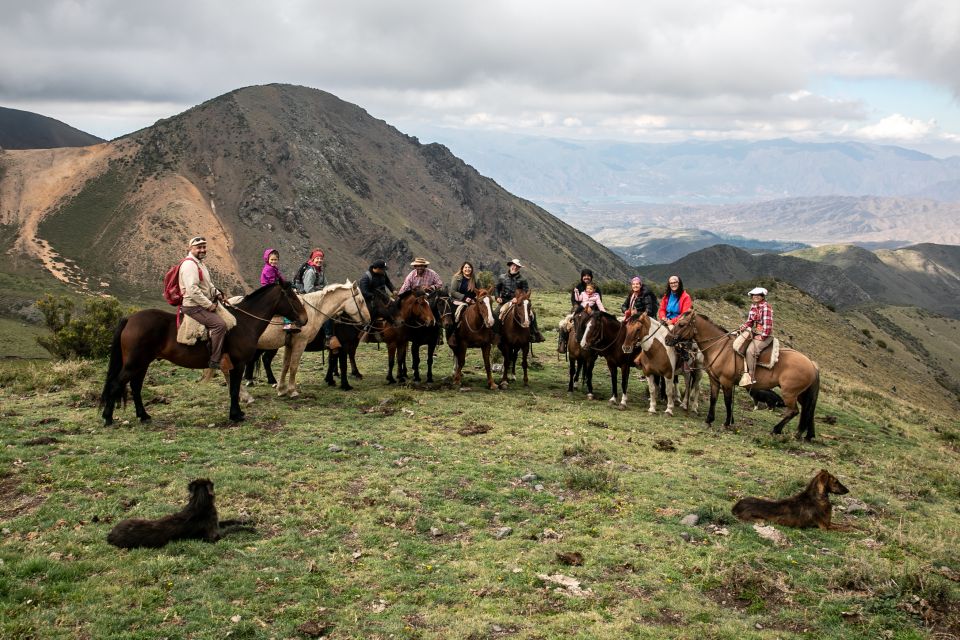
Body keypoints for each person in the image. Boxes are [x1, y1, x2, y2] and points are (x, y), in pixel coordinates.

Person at [179, 236, 227, 370]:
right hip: (193, 306)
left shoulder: (199, 263)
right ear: (190, 249)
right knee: (219, 325)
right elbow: (193, 290)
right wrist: (209, 305)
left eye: (204, 247)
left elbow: (207, 284)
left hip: (201, 302)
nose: (202, 250)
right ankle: (214, 360)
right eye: (198, 247)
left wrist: (216, 292)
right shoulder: (189, 265)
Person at [495, 258, 544, 343]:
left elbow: (525, 292)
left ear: (519, 268)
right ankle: (495, 335)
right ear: (510, 266)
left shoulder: (523, 279)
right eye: (514, 266)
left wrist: (517, 298)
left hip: (519, 302)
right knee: (495, 313)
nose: (515, 268)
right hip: (505, 301)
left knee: (532, 314)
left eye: (517, 266)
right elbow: (497, 288)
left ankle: (534, 333)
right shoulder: (502, 277)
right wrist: (497, 297)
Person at [737, 287, 774, 387]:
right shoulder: (753, 307)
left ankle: (751, 376)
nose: (755, 297)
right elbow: (750, 322)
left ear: (762, 296)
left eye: (758, 295)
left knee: (750, 351)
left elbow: (768, 325)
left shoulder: (766, 307)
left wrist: (762, 336)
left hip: (765, 335)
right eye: (754, 295)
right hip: (755, 333)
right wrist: (743, 327)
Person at [260, 248, 299, 332]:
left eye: (276, 259)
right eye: (272, 259)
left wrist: (288, 284)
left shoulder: (273, 268)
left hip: (272, 289)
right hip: (268, 290)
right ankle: (287, 325)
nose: (274, 261)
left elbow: (280, 278)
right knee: (286, 303)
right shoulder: (269, 269)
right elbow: (271, 283)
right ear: (267, 259)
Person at [447, 261, 478, 347]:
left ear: (471, 269)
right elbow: (452, 291)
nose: (467, 269)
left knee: (485, 311)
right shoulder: (457, 278)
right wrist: (464, 298)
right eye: (466, 267)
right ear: (462, 269)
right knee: (454, 315)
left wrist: (475, 299)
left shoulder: (475, 279)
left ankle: (490, 334)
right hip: (459, 301)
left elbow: (479, 291)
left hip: (473, 301)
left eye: (469, 267)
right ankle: (452, 335)